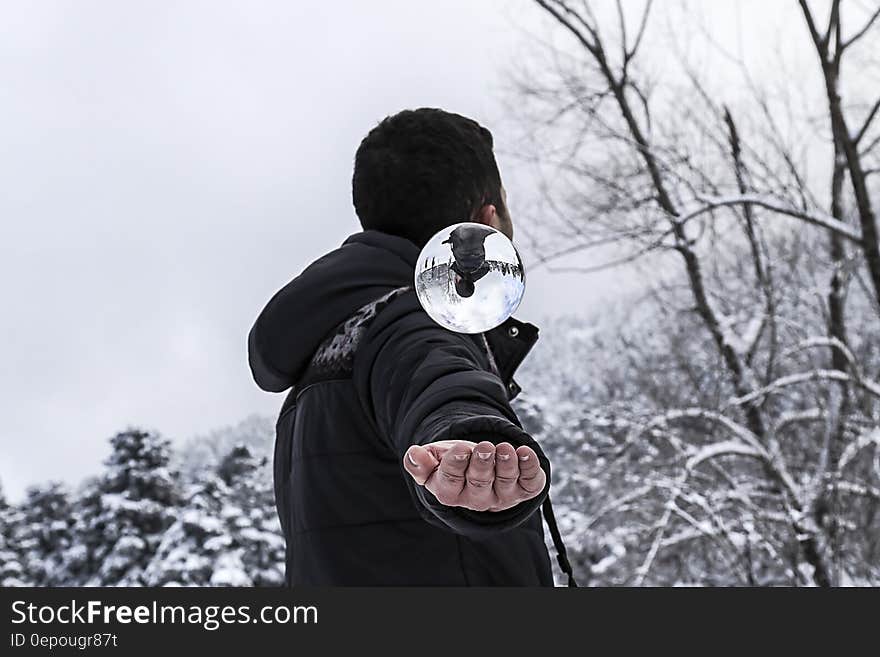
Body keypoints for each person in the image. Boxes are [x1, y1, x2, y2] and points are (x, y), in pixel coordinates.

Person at [248, 108, 575, 586]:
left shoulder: (325, 355)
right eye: (505, 208)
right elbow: (435, 380)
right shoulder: (416, 319)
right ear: (485, 223)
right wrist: (466, 438)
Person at [442, 223, 495, 298]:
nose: (454, 277)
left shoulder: (476, 267)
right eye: (455, 281)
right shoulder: (464, 265)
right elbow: (465, 241)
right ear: (457, 281)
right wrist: (454, 239)